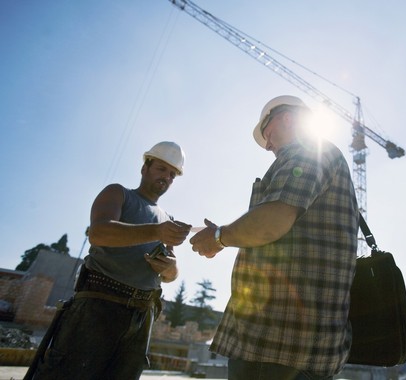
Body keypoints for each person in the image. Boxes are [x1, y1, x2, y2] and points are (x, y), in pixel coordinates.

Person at [190, 95, 359, 380]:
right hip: (295, 348)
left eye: (267, 134)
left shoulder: (308, 151)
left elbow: (272, 222)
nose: (267, 145)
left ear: (287, 119)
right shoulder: (323, 157)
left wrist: (219, 237)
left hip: (275, 345)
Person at [27, 141, 192, 380]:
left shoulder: (168, 218)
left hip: (141, 316)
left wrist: (170, 268)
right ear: (144, 168)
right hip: (98, 309)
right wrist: (156, 232)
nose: (166, 177)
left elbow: (171, 274)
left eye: (172, 174)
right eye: (161, 169)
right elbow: (99, 233)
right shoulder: (118, 193)